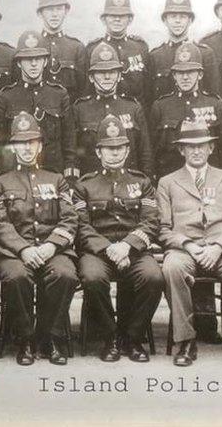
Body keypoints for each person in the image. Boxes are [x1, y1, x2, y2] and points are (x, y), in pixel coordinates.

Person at [158, 118, 222, 368]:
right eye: (190, 146)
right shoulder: (167, 182)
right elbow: (163, 229)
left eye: (202, 145)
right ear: (181, 150)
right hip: (185, 250)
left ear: (211, 148)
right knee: (171, 268)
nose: (196, 151)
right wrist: (188, 245)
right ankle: (186, 340)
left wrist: (218, 248)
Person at [0, 112, 79, 366]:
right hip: (16, 252)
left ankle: (50, 337)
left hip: (53, 250)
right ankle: (25, 339)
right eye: (21, 143)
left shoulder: (57, 180)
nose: (27, 148)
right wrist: (23, 249)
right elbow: (0, 223)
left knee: (65, 275)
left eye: (32, 142)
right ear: (13, 147)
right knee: (17, 277)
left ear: (40, 145)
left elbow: (70, 218)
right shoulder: (0, 183)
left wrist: (52, 245)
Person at [72, 114, 163, 363]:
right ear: (99, 151)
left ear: (127, 149)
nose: (114, 153)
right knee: (92, 278)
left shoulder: (141, 182)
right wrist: (109, 249)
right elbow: (81, 227)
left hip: (133, 249)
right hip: (98, 251)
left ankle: (131, 338)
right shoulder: (84, 186)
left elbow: (151, 221)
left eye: (119, 147)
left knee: (154, 277)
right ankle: (110, 336)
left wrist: (127, 246)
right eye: (108, 148)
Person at [0, 30, 76, 177]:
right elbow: (0, 144)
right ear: (19, 63)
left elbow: (68, 140)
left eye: (38, 59)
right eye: (28, 59)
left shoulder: (59, 94)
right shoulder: (5, 97)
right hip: (17, 176)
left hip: (53, 173)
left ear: (45, 61)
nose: (33, 64)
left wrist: (69, 176)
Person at [150, 42, 222, 179]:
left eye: (190, 72)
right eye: (180, 73)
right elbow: (154, 152)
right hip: (172, 181)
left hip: (209, 180)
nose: (185, 77)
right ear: (174, 76)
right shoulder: (160, 106)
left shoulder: (216, 104)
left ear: (200, 75)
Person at [73, 41, 153, 176]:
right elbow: (73, 155)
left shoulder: (133, 108)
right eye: (101, 72)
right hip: (92, 187)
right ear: (91, 77)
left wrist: (148, 182)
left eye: (112, 71)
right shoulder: (80, 109)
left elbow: (145, 153)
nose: (107, 77)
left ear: (120, 76)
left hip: (129, 183)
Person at [148, 0, 219, 105]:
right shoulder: (155, 56)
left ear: (190, 20)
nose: (177, 21)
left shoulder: (205, 54)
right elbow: (149, 98)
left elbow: (215, 97)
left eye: (182, 17)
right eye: (172, 16)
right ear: (165, 20)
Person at [85, 0, 150, 104]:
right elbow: (87, 90)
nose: (117, 19)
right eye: (112, 15)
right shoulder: (93, 49)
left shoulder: (140, 48)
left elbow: (148, 90)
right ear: (104, 19)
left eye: (122, 15)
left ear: (130, 19)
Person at [36, 0, 87, 101]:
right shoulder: (33, 46)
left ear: (66, 11)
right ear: (40, 13)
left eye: (59, 9)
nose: (54, 14)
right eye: (49, 9)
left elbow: (83, 90)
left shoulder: (77, 48)